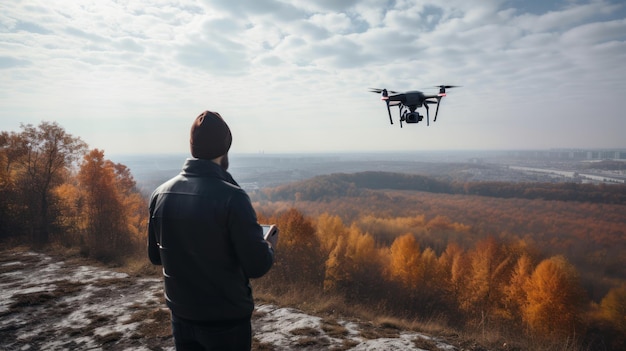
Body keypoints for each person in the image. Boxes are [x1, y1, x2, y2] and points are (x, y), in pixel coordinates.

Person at [148, 110, 277, 351]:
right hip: (225, 319)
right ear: (225, 146)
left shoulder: (160, 194)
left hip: (181, 314)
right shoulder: (233, 198)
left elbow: (156, 257)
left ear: (192, 145)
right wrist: (268, 246)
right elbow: (257, 265)